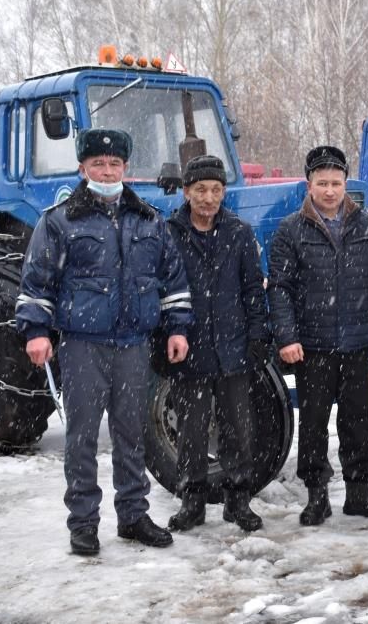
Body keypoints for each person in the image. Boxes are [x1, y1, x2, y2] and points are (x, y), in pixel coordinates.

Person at [16, 128, 192, 556]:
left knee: (131, 433)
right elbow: (36, 282)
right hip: (82, 345)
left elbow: (171, 280)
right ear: (83, 168)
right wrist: (37, 331)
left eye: (114, 164)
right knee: (82, 438)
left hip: (133, 344)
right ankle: (84, 522)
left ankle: (132, 515)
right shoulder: (59, 221)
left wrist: (178, 327)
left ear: (125, 168)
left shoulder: (149, 219)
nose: (107, 171)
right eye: (98, 164)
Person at [268, 145, 368, 526]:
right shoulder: (290, 231)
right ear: (308, 185)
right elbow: (279, 288)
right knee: (313, 424)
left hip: (357, 343)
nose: (330, 190)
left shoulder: (367, 227)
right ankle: (317, 495)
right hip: (312, 347)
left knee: (358, 422)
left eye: (336, 183)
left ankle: (361, 494)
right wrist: (287, 337)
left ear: (346, 184)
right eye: (322, 183)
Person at [164, 155, 268, 533]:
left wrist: (258, 335)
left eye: (216, 190)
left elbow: (253, 290)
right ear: (187, 191)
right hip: (190, 349)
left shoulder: (239, 233)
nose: (209, 198)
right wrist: (166, 338)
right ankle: (192, 501)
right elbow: (161, 289)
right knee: (191, 431)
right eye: (201, 190)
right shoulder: (170, 234)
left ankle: (238, 500)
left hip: (233, 347)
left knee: (239, 428)